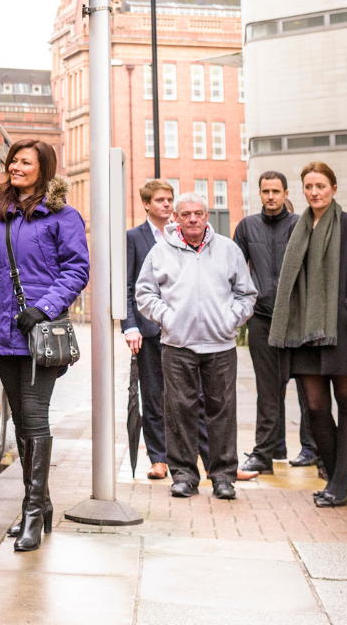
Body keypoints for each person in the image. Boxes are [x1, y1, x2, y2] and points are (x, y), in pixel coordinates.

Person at [0, 138, 89, 552]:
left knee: (34, 418)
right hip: (2, 332)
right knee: (19, 421)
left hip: (38, 334)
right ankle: (43, 505)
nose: (15, 167)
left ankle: (32, 514)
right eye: (13, 161)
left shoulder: (62, 216)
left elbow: (76, 269)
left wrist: (46, 306)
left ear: (43, 169)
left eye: (25, 162)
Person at [270, 161, 347, 508]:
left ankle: (339, 483)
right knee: (315, 408)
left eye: (320, 186)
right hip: (304, 333)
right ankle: (333, 478)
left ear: (334, 188)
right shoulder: (296, 228)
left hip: (342, 332)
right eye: (308, 187)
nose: (314, 192)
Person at [135, 192, 257, 500]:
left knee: (222, 411)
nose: (193, 219)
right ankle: (185, 476)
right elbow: (144, 293)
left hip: (221, 344)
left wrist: (231, 320)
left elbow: (247, 294)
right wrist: (167, 318)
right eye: (186, 214)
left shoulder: (229, 250)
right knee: (179, 411)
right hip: (177, 344)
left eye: (199, 214)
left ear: (207, 217)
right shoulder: (160, 252)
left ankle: (223, 476)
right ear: (175, 218)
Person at [234, 171, 318, 477]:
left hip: (298, 319)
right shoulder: (246, 227)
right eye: (266, 191)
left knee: (309, 387)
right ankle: (265, 454)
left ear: (285, 194)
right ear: (259, 193)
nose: (271, 196)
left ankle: (311, 449)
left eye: (276, 191)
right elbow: (234, 270)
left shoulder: (301, 225)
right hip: (262, 319)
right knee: (267, 390)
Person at [124, 179, 197, 481]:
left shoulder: (182, 236)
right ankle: (159, 458)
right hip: (148, 331)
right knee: (153, 396)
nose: (167, 205)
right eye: (160, 201)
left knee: (184, 396)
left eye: (170, 200)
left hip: (183, 332)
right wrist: (129, 326)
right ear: (146, 204)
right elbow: (127, 287)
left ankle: (186, 455)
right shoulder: (134, 238)